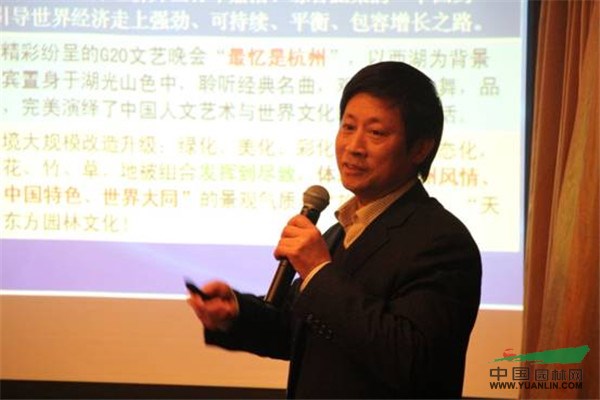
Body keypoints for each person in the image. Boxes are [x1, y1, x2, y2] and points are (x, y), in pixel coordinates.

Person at [187, 61, 482, 399]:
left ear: (420, 148)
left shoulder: (442, 241)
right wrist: (235, 313)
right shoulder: (341, 231)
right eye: (348, 127)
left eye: (376, 133)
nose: (354, 146)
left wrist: (318, 271)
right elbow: (300, 330)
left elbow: (412, 360)